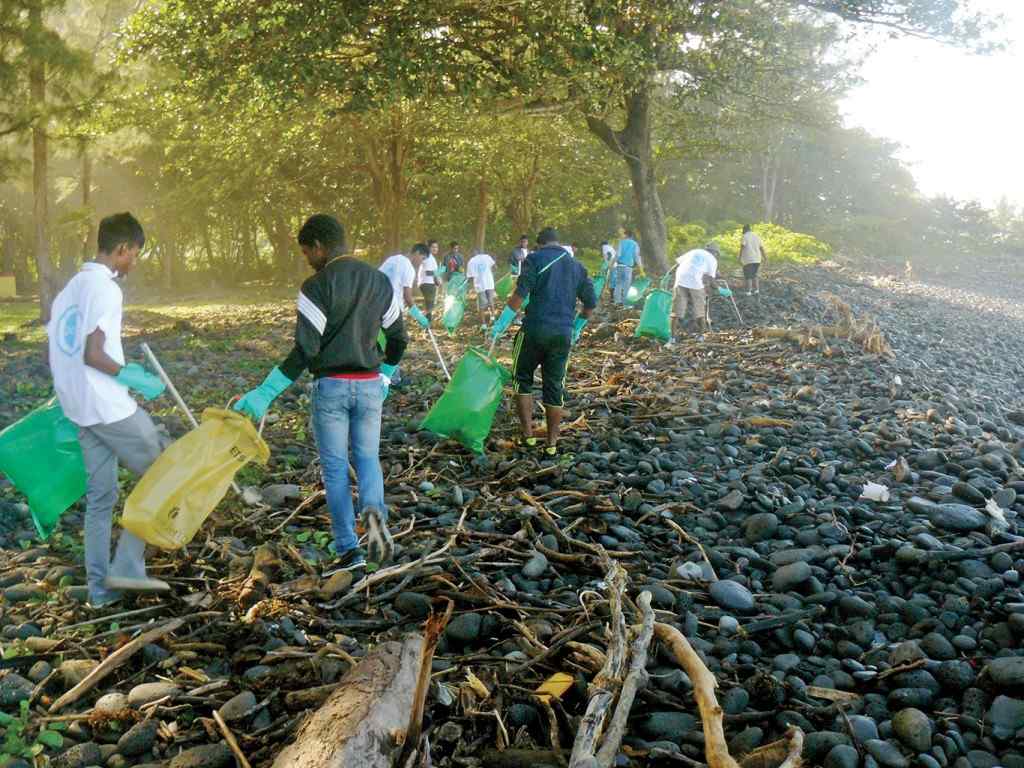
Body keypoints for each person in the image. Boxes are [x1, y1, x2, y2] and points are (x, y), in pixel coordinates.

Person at [234, 214, 408, 569]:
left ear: (318, 246)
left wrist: (266, 392)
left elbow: (305, 351)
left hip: (330, 387)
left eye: (306, 253)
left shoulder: (316, 286)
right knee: (368, 458)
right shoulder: (379, 282)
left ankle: (348, 549)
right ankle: (374, 513)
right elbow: (399, 338)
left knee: (335, 469)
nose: (307, 261)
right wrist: (387, 375)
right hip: (370, 385)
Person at [47, 212, 170, 607]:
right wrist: (132, 375)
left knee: (101, 499)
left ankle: (100, 591)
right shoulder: (105, 289)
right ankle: (128, 567)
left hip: (80, 409)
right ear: (122, 249)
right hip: (109, 407)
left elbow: (64, 350)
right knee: (163, 474)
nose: (133, 262)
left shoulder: (70, 289)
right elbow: (92, 353)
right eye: (134, 254)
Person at [490, 227, 596, 456]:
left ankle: (528, 436)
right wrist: (576, 328)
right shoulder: (577, 267)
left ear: (539, 244)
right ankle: (551, 443)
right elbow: (590, 304)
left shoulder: (534, 259)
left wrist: (502, 323)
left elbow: (520, 294)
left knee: (522, 380)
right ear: (559, 243)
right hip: (562, 335)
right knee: (554, 386)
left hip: (534, 330)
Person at [379, 245, 428, 385]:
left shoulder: (391, 260)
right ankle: (387, 380)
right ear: (417, 253)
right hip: (392, 308)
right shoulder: (409, 268)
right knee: (399, 342)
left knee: (387, 342)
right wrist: (419, 316)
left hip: (375, 304)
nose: (421, 262)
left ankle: (393, 376)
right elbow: (408, 297)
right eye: (422, 258)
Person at [669, 242, 720, 344]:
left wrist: (668, 273)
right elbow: (711, 280)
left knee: (676, 312)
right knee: (700, 311)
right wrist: (719, 289)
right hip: (695, 282)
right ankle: (701, 337)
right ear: (715, 252)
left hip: (680, 280)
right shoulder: (713, 260)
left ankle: (672, 338)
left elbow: (677, 264)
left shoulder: (695, 251)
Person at [466, 249, 497, 328]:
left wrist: (469, 287)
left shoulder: (471, 261)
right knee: (491, 301)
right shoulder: (487, 257)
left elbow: (470, 276)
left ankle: (483, 324)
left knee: (482, 305)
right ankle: (493, 318)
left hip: (480, 285)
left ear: (473, 254)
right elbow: (494, 266)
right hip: (489, 283)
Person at [613, 229, 641, 305]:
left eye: (624, 234)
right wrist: (640, 268)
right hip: (628, 267)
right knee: (627, 285)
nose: (623, 236)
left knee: (618, 284)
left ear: (626, 235)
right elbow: (636, 256)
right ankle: (625, 303)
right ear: (631, 236)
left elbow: (618, 254)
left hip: (620, 266)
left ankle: (617, 302)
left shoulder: (621, 242)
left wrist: (612, 263)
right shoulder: (634, 244)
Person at [740, 224, 766, 295]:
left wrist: (739, 257)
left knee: (748, 276)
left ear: (744, 230)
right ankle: (757, 290)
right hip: (757, 259)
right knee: (755, 275)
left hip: (748, 259)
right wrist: (765, 257)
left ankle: (748, 292)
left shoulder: (745, 236)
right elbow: (761, 248)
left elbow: (742, 247)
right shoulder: (756, 236)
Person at [419, 240, 440, 320]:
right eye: (433, 247)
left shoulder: (430, 257)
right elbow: (428, 272)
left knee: (429, 305)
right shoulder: (428, 257)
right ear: (428, 248)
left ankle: (426, 325)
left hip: (428, 283)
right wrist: (437, 279)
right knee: (429, 306)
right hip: (428, 284)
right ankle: (425, 324)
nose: (435, 249)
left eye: (436, 247)